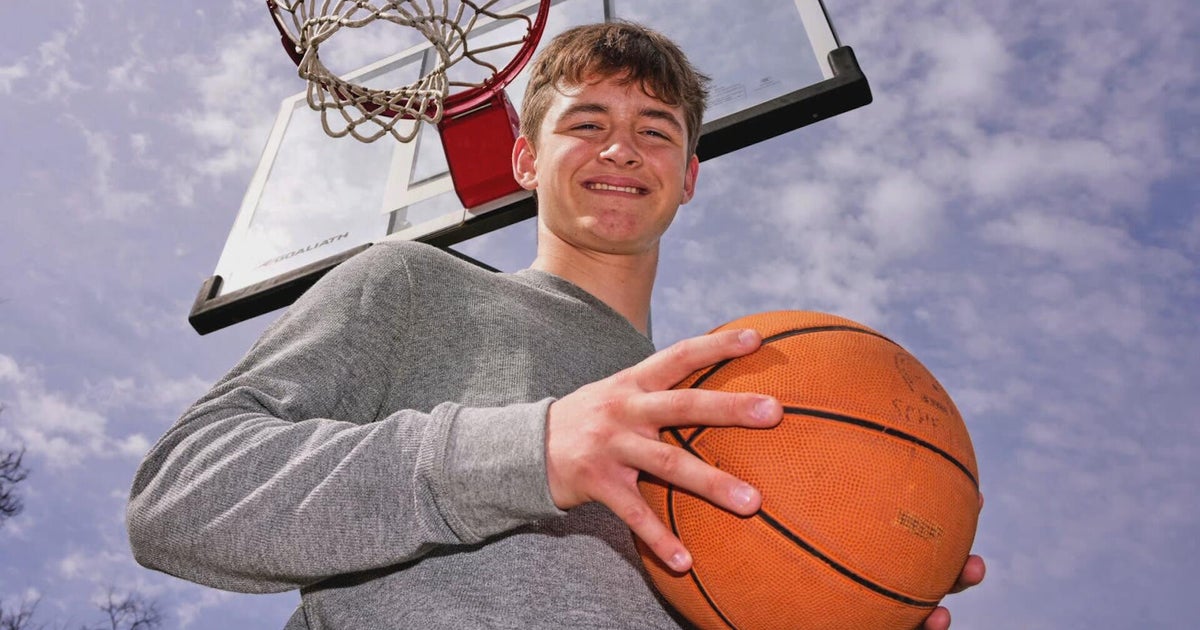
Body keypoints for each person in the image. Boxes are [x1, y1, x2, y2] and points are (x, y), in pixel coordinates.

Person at [127, 21, 983, 629]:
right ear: (526, 159)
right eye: (587, 124)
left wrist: (852, 592)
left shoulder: (726, 408)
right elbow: (181, 498)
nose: (621, 148)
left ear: (689, 178)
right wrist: (530, 451)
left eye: (655, 130)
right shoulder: (412, 284)